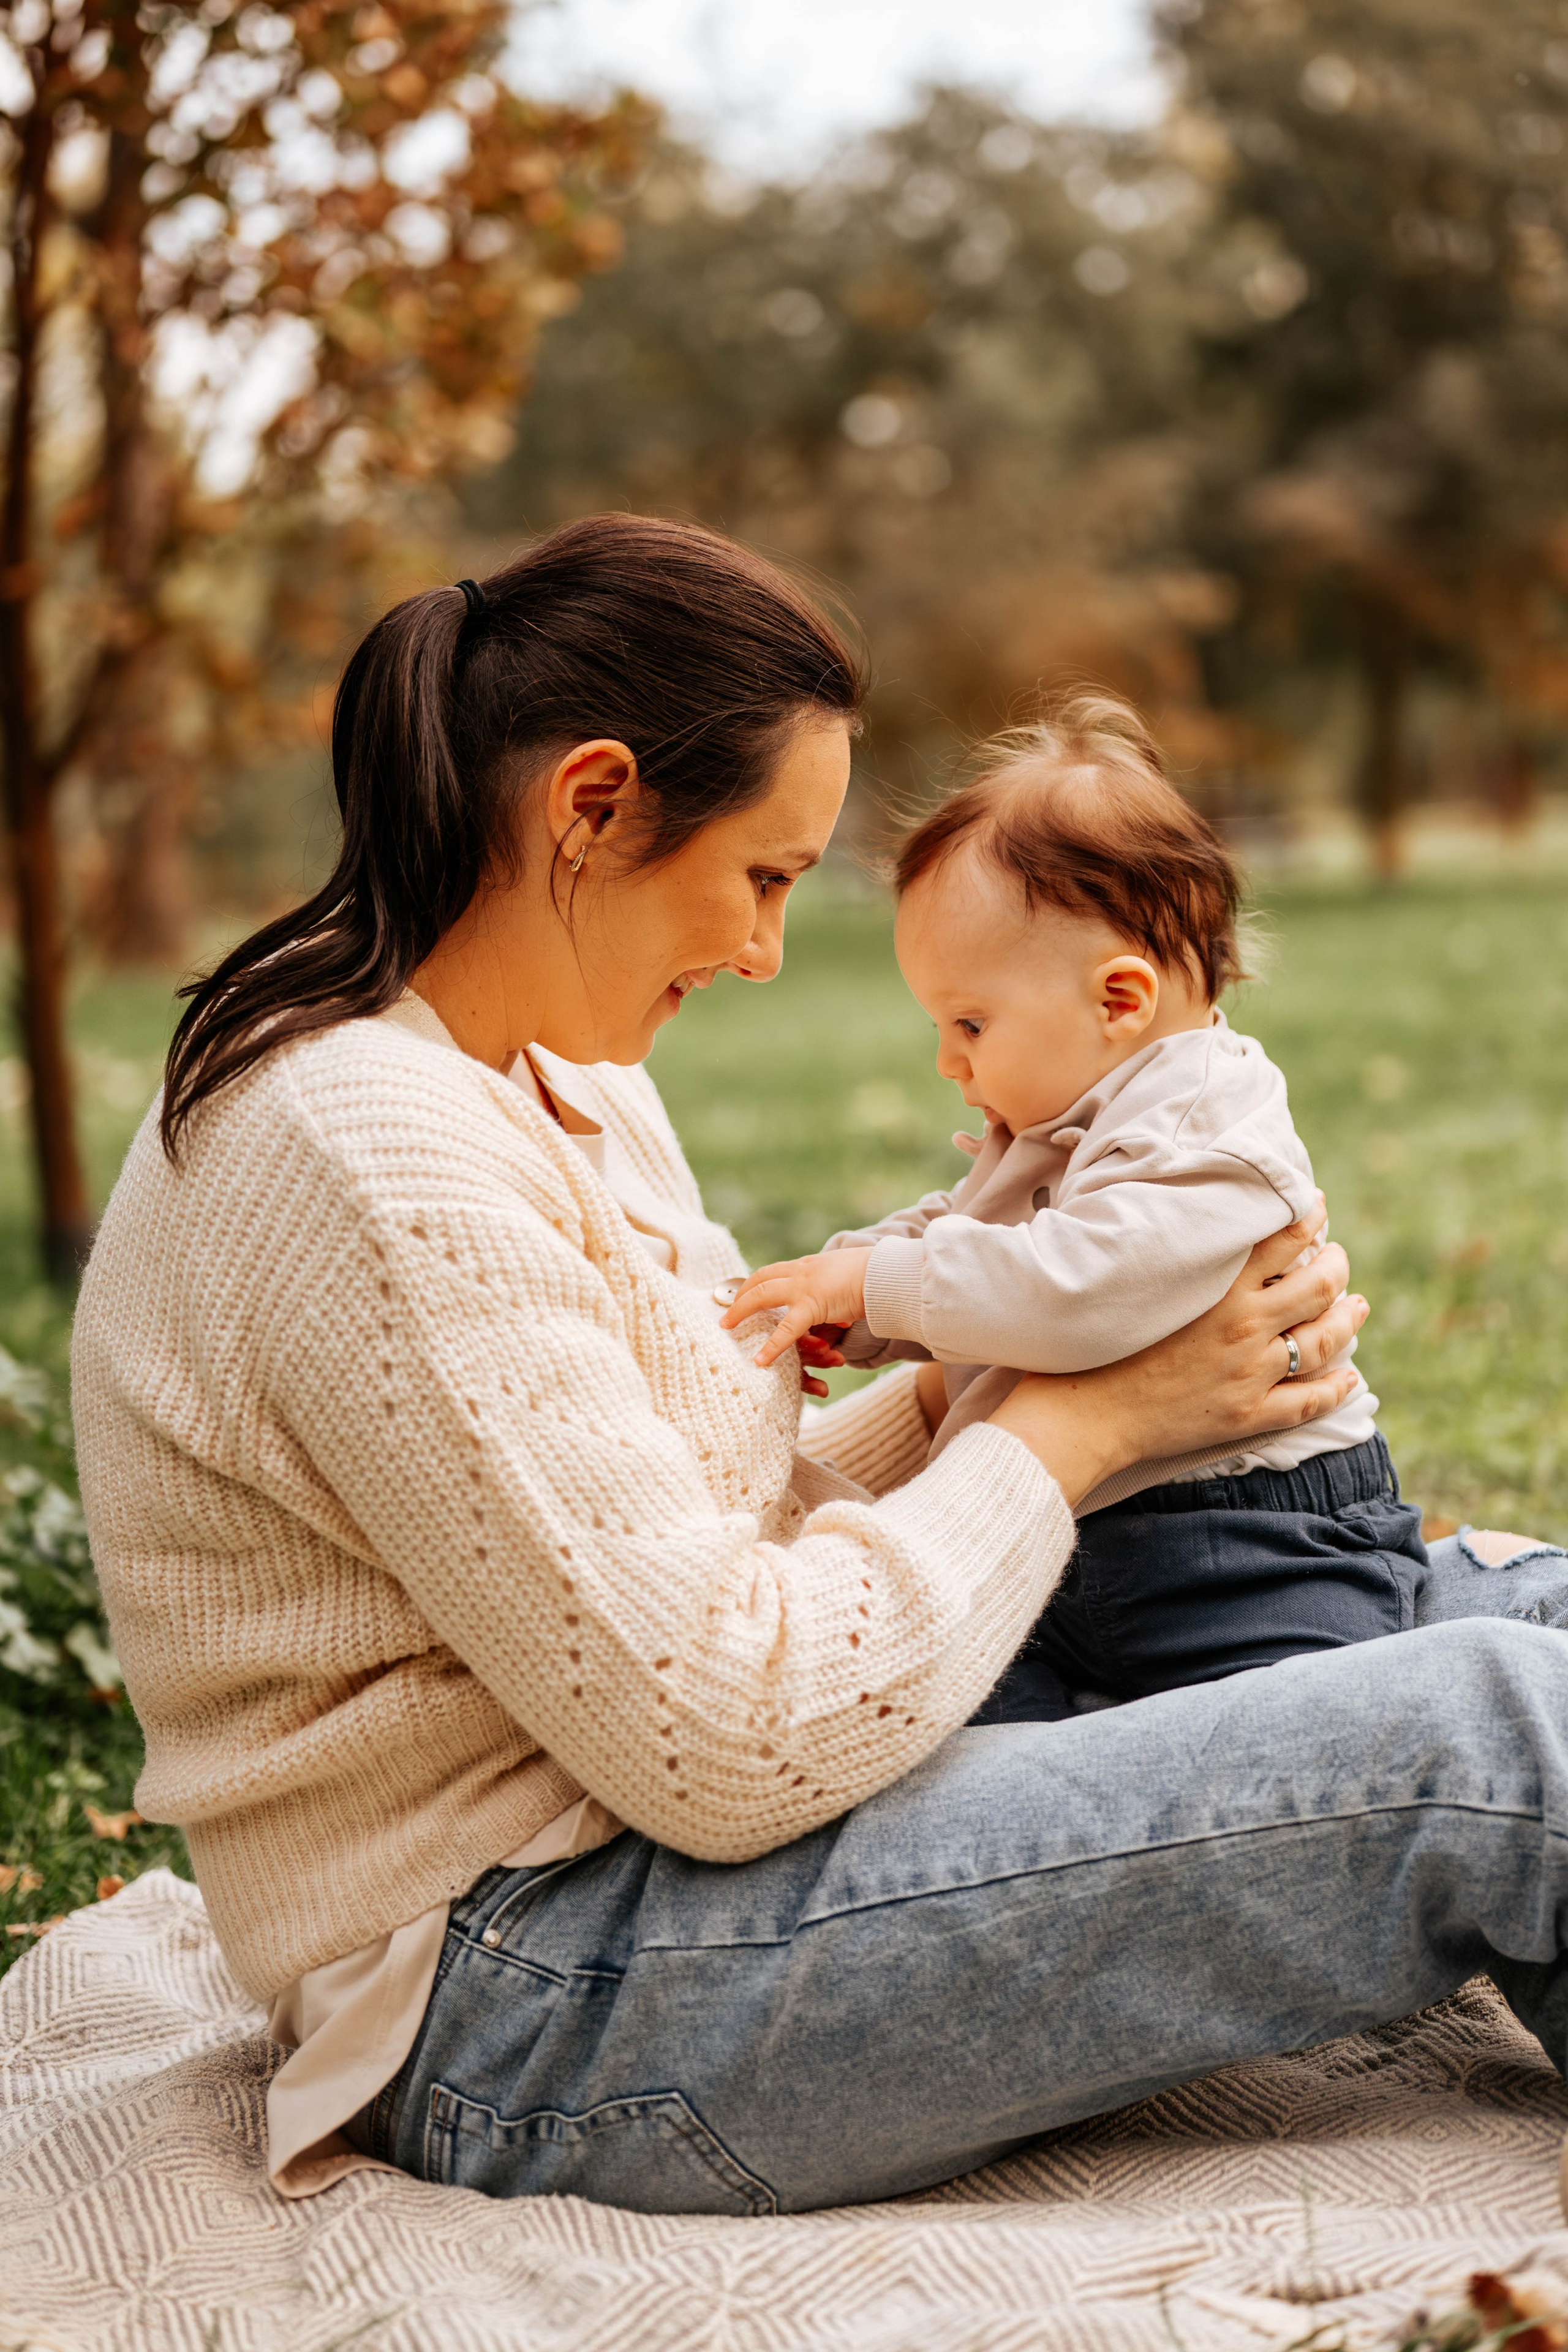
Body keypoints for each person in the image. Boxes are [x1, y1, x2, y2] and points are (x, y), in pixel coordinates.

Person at [70, 516, 1568, 2220]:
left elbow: (675, 1538)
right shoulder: (365, 1155)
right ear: (592, 804)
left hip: (654, 1839)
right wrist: (1086, 1425)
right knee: (1508, 1735)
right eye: (766, 877)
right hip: (539, 1987)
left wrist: (965, 1387)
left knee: (1535, 1620)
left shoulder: (554, 1077)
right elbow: (722, 1732)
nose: (772, 951)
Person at [720, 694, 1425, 1720]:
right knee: (976, 1727)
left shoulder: (1206, 1127)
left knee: (1308, 1731)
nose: (947, 1059)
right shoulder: (1062, 1120)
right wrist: (855, 1299)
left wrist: (885, 1284)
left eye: (969, 1021)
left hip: (1251, 1546)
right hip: (1081, 1544)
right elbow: (968, 1238)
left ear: (1119, 1001)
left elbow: (1071, 1289)